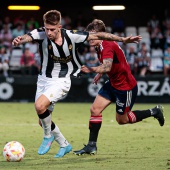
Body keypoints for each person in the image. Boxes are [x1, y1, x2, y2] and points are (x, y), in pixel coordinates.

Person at [12, 10, 142, 158]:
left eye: (52, 29)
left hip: (62, 80)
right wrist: (19, 40)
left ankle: (48, 136)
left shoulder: (72, 36)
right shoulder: (41, 33)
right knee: (43, 120)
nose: (48, 33)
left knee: (40, 106)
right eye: (47, 29)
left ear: (59, 27)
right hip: (43, 80)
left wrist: (122, 39)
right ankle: (65, 144)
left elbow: (101, 37)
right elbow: (28, 37)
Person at [73, 19, 165, 156]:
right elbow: (110, 65)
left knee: (122, 120)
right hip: (113, 83)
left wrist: (91, 69)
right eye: (89, 34)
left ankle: (154, 111)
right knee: (95, 109)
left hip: (125, 87)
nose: (90, 38)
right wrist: (100, 73)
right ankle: (91, 146)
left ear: (102, 34)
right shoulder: (99, 46)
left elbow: (108, 66)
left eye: (93, 34)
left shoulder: (107, 45)